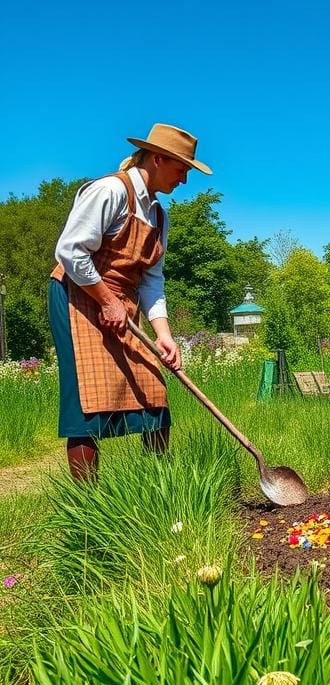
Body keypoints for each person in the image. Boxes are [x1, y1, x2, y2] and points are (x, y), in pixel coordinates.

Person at [49, 123, 212, 480]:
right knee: (89, 402)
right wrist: (107, 300)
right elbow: (71, 252)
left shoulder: (158, 214)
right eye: (181, 169)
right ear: (157, 159)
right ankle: (87, 513)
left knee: (155, 394)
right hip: (78, 293)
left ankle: (157, 491)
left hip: (121, 302)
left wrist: (164, 334)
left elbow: (152, 279)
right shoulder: (109, 191)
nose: (183, 180)